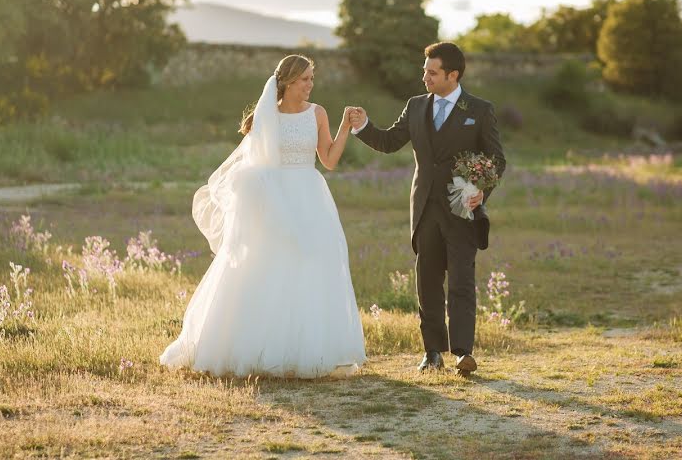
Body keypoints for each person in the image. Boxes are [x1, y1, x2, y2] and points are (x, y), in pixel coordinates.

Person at [160, 54, 366, 378]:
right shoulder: (265, 115)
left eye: (312, 78)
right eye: (304, 80)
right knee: (267, 267)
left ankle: (310, 350)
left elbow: (328, 160)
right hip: (274, 199)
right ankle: (259, 348)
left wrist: (344, 128)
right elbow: (251, 165)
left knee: (312, 265)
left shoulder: (318, 113)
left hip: (310, 196)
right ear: (286, 81)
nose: (310, 85)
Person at [348, 42, 505, 376]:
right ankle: (432, 352)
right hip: (424, 209)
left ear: (453, 74)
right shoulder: (416, 106)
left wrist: (481, 191)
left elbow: (496, 159)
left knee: (462, 280)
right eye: (424, 70)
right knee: (428, 281)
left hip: (462, 209)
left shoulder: (479, 109)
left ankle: (464, 353)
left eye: (432, 72)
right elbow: (390, 142)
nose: (425, 77)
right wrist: (363, 127)